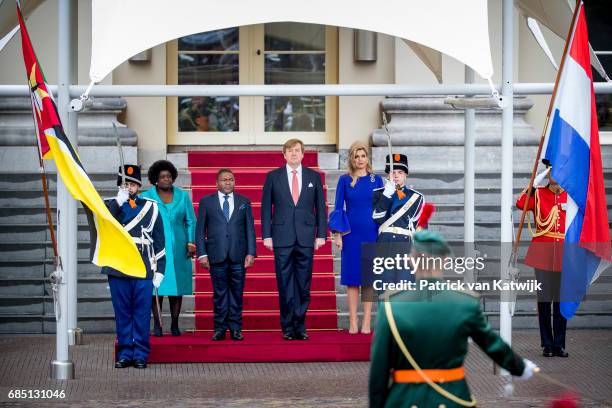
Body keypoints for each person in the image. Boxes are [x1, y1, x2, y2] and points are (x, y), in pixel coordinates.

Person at [369, 230, 538, 408]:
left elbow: (378, 370)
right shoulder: (464, 303)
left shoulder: (391, 305)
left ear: (411, 260)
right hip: (452, 398)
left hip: (404, 400)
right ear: (446, 261)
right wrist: (519, 367)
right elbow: (492, 344)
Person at [261, 138, 327, 340]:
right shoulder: (273, 177)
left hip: (306, 237)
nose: (293, 154)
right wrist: (266, 235)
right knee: (285, 284)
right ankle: (288, 326)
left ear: (303, 153)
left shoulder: (313, 177)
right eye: (289, 151)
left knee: (303, 284)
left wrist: (321, 234)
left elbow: (320, 207)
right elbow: (265, 209)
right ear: (284, 154)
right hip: (281, 238)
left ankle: (300, 323)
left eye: (297, 150)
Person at [102, 165, 166, 369]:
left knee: (140, 314)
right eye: (124, 184)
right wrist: (118, 203)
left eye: (132, 184)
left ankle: (140, 354)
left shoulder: (151, 206)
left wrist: (160, 270)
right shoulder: (110, 206)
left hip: (143, 266)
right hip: (119, 266)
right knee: (122, 314)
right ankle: (125, 353)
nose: (128, 187)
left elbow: (159, 241)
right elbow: (103, 225)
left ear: (138, 186)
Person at [195, 168, 256, 341]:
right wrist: (202, 254)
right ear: (217, 183)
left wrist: (251, 252)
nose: (228, 182)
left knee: (237, 293)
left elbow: (250, 229)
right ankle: (220, 328)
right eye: (224, 180)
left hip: (239, 255)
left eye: (231, 179)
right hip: (216, 255)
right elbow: (200, 231)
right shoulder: (207, 202)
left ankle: (236, 328)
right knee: (220, 294)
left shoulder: (244, 201)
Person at [329, 141, 383, 334]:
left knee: (368, 279)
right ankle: (353, 322)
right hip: (350, 235)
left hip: (372, 233)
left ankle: (367, 322)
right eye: (357, 156)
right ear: (352, 159)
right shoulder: (344, 180)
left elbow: (382, 209)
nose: (360, 159)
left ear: (367, 158)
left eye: (363, 155)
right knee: (352, 280)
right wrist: (338, 235)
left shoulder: (376, 180)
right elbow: (337, 208)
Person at [516, 161, 569, 358]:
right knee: (544, 301)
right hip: (542, 254)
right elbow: (520, 203)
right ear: (547, 172)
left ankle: (559, 344)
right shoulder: (538, 194)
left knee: (561, 301)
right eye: (551, 170)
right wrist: (534, 183)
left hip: (564, 254)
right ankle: (547, 344)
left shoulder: (569, 195)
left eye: (558, 169)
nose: (554, 174)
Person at [142, 160, 196, 337]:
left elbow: (190, 221)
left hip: (179, 248)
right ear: (155, 179)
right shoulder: (146, 197)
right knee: (156, 288)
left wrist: (191, 242)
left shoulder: (182, 196)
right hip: (155, 248)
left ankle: (174, 324)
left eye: (169, 176)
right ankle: (157, 325)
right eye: (162, 177)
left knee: (177, 288)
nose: (166, 179)